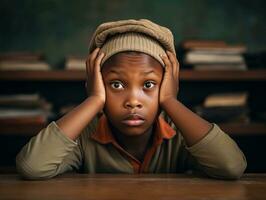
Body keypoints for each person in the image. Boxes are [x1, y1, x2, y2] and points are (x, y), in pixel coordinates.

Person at [16, 19, 247, 180]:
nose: (133, 101)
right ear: (96, 84)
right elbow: (32, 167)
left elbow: (232, 167)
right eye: (116, 85)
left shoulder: (181, 133)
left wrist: (170, 101)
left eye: (149, 85)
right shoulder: (83, 135)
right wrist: (95, 99)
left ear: (169, 85)